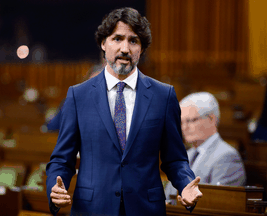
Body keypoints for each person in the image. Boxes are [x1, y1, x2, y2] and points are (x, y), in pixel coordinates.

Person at [46, 7, 202, 216]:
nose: (125, 49)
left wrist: (185, 185)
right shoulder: (78, 96)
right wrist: (55, 190)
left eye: (133, 40)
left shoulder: (163, 96)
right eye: (117, 39)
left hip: (145, 209)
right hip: (92, 209)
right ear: (103, 43)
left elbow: (174, 159)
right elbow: (61, 160)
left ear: (142, 49)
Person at [165, 92, 246, 201]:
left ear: (211, 119)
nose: (184, 127)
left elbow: (217, 204)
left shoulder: (227, 157)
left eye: (190, 120)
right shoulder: (186, 155)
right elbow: (168, 196)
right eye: (181, 122)